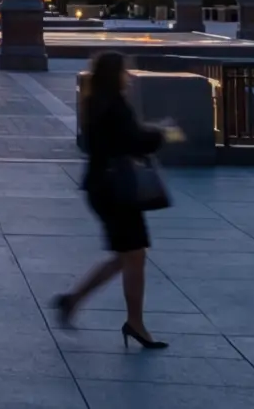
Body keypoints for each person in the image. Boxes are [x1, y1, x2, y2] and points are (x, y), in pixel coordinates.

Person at [52, 51, 176, 349]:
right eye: (125, 71)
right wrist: (160, 135)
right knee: (133, 253)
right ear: (115, 74)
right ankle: (133, 323)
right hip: (117, 189)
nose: (129, 76)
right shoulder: (115, 106)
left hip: (103, 187)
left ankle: (73, 301)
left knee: (128, 254)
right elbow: (130, 141)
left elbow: (108, 141)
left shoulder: (96, 103)